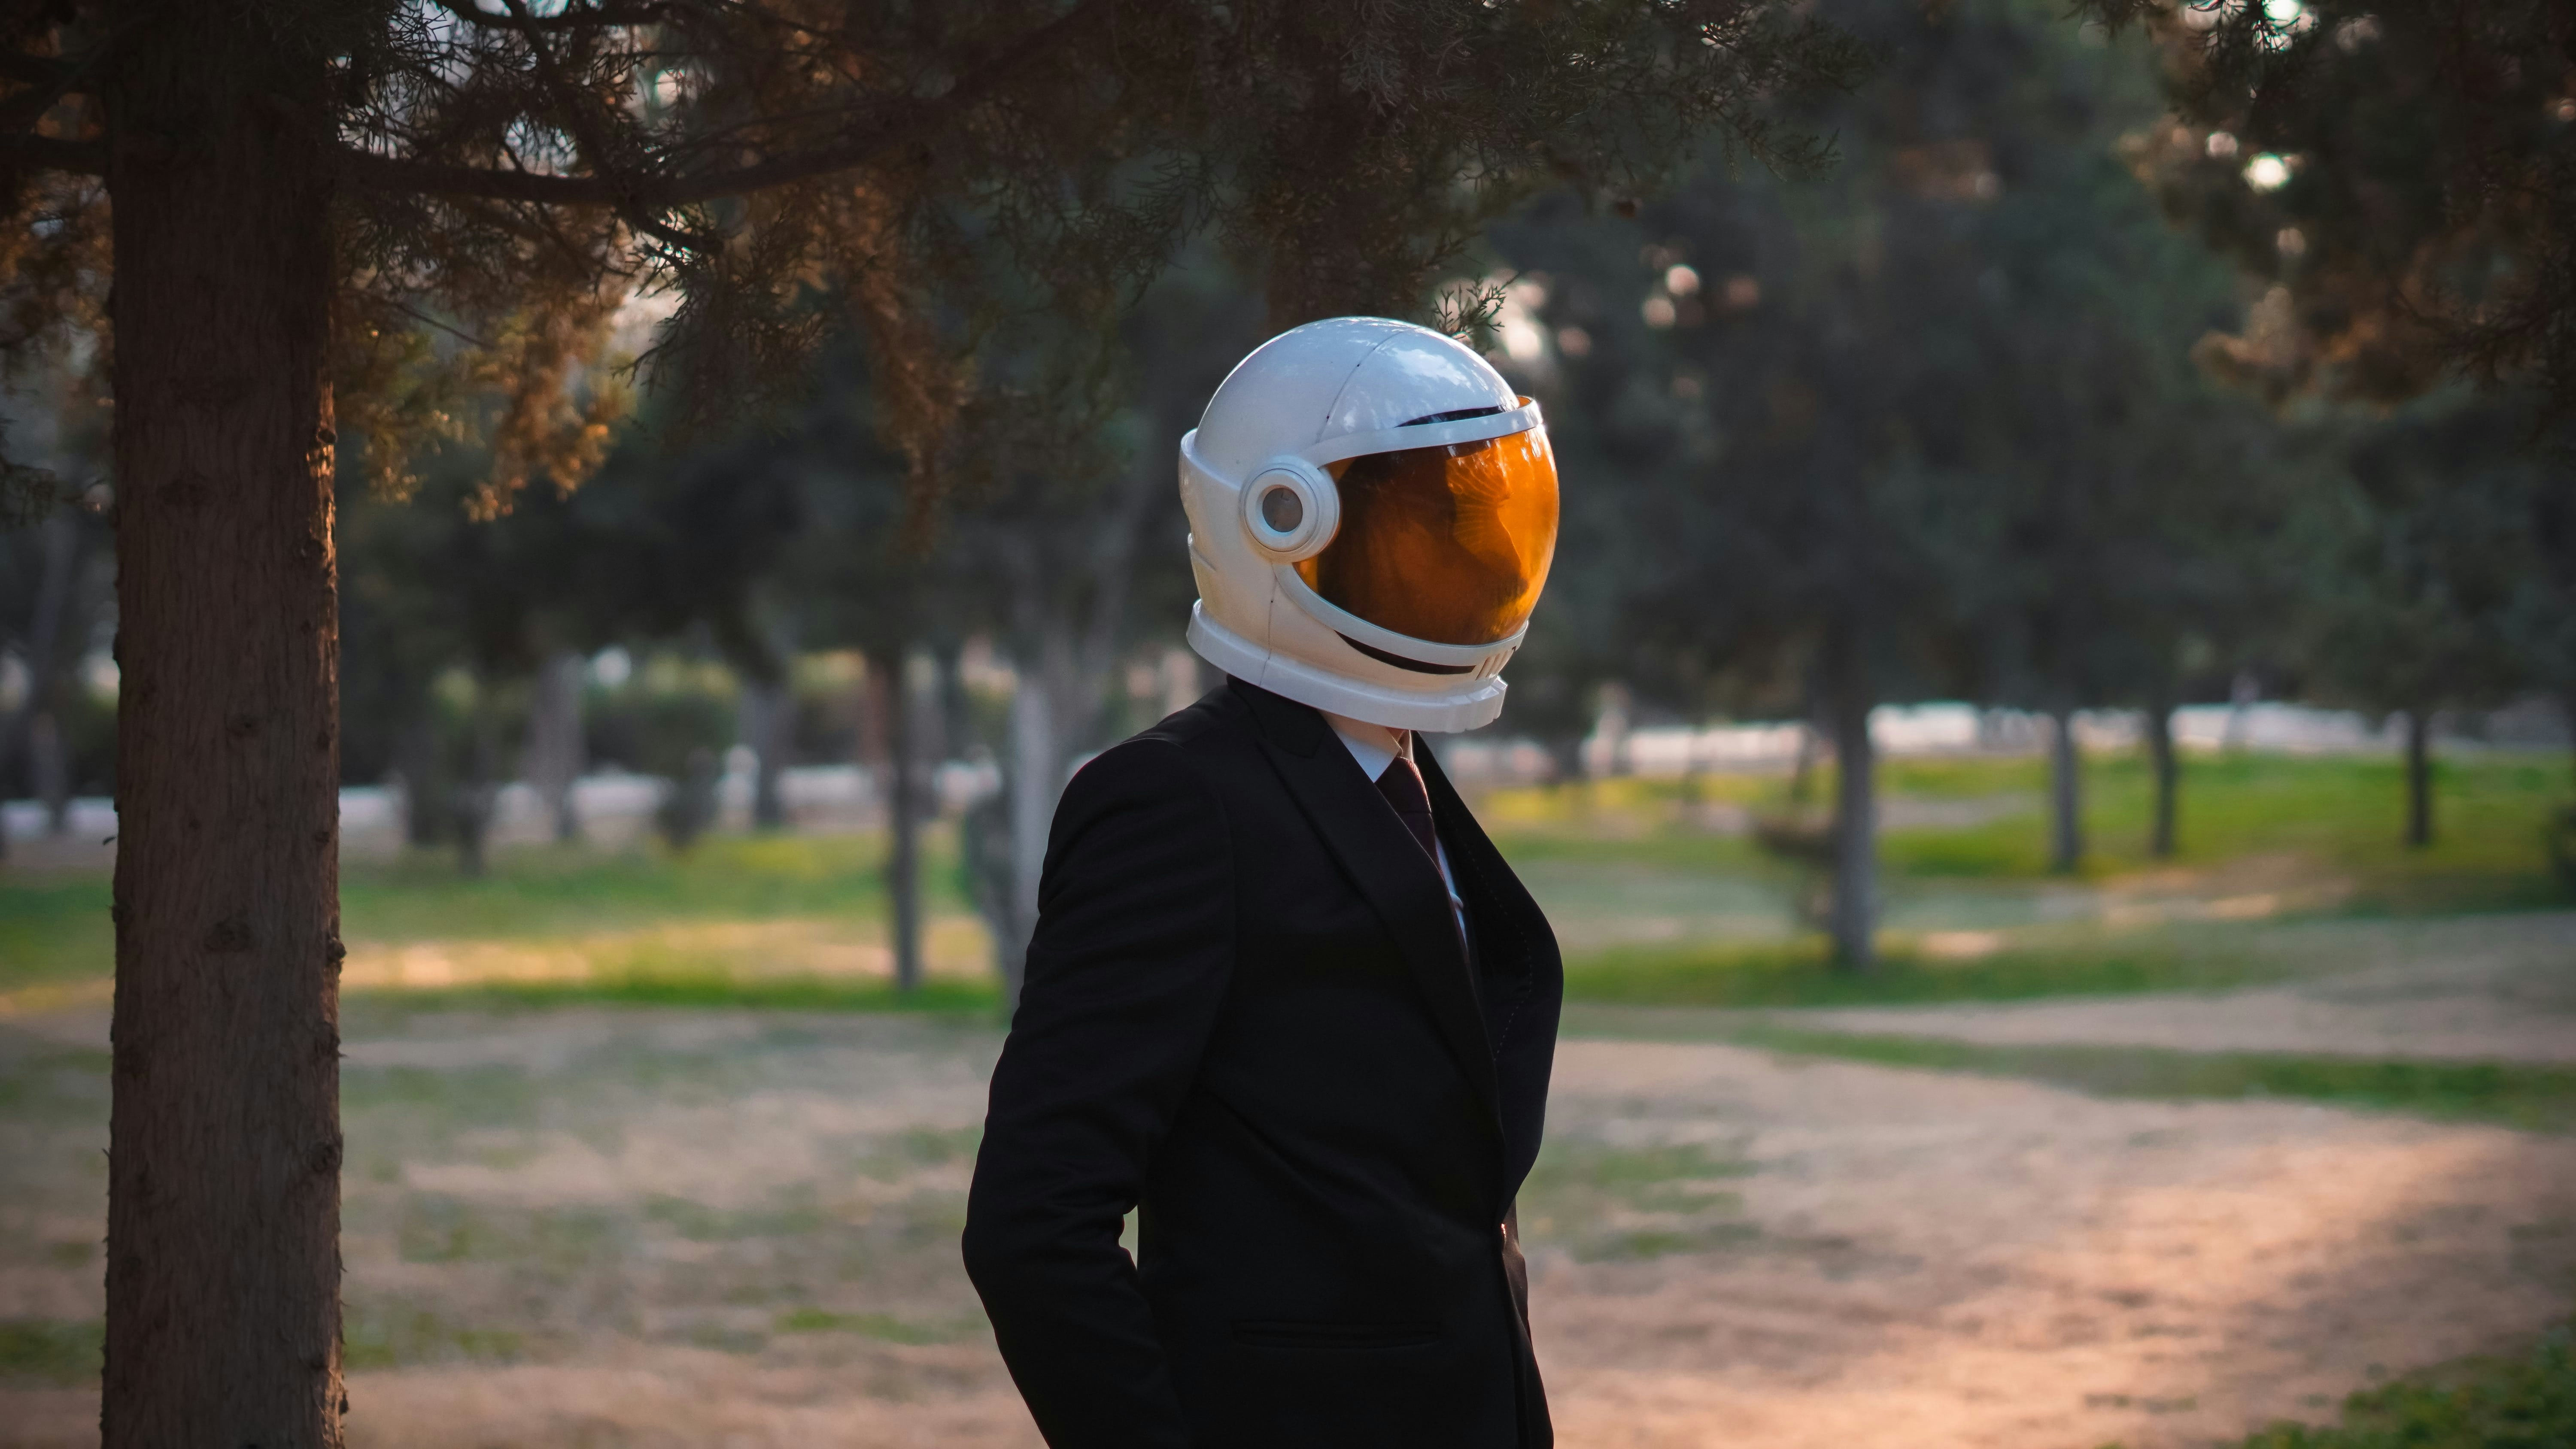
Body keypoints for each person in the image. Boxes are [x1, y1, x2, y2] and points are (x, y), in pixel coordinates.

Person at [962, 316, 1566, 1448]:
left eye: (1478, 516)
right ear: (1284, 522)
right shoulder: (1176, 806)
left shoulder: (1405, 767)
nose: (1466, 556)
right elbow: (1033, 1228)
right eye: (1420, 524)